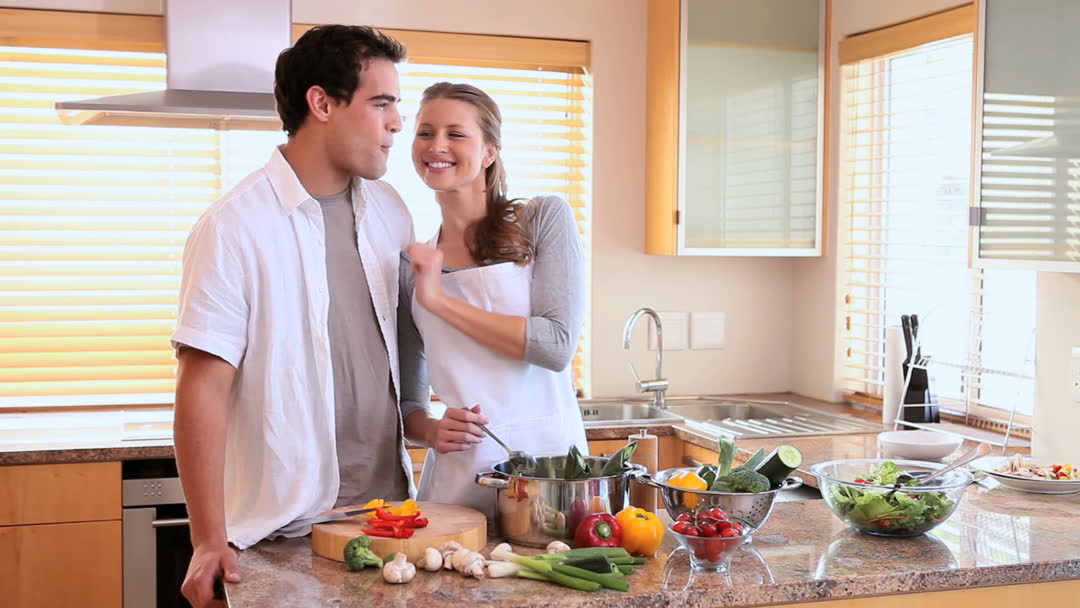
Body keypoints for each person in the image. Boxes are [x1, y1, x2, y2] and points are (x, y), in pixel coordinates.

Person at [171, 25, 412, 607]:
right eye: (381, 104)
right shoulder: (234, 226)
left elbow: (403, 351)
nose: (397, 123)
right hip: (285, 536)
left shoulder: (392, 211)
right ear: (322, 103)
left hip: (390, 522)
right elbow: (202, 387)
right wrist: (207, 539)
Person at [398, 82, 588, 516]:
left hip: (550, 478)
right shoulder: (412, 264)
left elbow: (555, 346)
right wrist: (431, 430)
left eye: (455, 134)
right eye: (425, 132)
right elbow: (408, 402)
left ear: (489, 153)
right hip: (459, 484)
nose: (436, 145)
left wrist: (440, 301)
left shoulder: (542, 220)